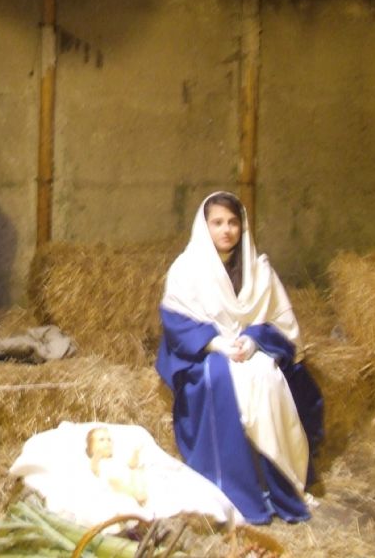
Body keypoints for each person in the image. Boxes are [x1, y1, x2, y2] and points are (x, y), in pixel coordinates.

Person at [156, 191, 324, 524]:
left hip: (251, 349)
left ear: (242, 226)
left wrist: (254, 340)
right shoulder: (186, 269)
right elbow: (176, 323)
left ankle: (277, 483)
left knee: (267, 378)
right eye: (217, 222)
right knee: (223, 379)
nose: (226, 230)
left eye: (233, 222)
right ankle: (237, 487)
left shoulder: (259, 270)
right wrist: (215, 343)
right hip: (206, 353)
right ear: (204, 226)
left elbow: (281, 323)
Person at [86, 427, 147, 505]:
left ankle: (140, 493)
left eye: (109, 440)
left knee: (136, 470)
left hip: (127, 478)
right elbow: (94, 468)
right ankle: (137, 494)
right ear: (91, 447)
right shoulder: (99, 462)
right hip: (115, 485)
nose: (107, 442)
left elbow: (131, 465)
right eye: (101, 440)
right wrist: (97, 454)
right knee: (115, 482)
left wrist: (136, 453)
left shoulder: (117, 458)